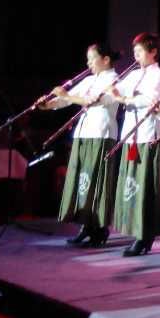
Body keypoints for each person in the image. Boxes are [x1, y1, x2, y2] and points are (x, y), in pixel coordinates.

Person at [40, 43, 122, 247]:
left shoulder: (114, 79)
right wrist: (48, 104)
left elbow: (93, 100)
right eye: (88, 59)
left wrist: (66, 95)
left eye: (92, 58)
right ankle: (85, 226)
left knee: (96, 180)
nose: (88, 63)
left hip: (102, 134)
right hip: (83, 133)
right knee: (82, 181)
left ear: (106, 60)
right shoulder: (88, 79)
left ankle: (99, 229)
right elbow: (66, 101)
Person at [110, 32, 160, 257]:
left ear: (153, 52)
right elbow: (119, 90)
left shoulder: (159, 74)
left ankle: (145, 235)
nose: (136, 56)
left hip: (147, 134)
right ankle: (135, 231)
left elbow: (150, 100)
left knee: (145, 185)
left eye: (140, 52)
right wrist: (115, 91)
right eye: (134, 52)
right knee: (131, 183)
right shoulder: (133, 74)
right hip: (131, 134)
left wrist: (125, 98)